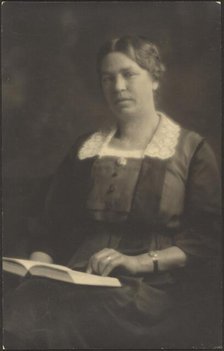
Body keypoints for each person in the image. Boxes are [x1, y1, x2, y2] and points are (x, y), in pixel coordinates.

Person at [3, 35, 221, 349]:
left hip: (153, 288)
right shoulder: (85, 149)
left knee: (74, 315)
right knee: (22, 303)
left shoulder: (191, 149)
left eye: (128, 74)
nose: (117, 87)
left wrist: (138, 262)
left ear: (155, 78)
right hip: (77, 277)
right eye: (108, 78)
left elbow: (208, 239)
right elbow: (51, 226)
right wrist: (37, 269)